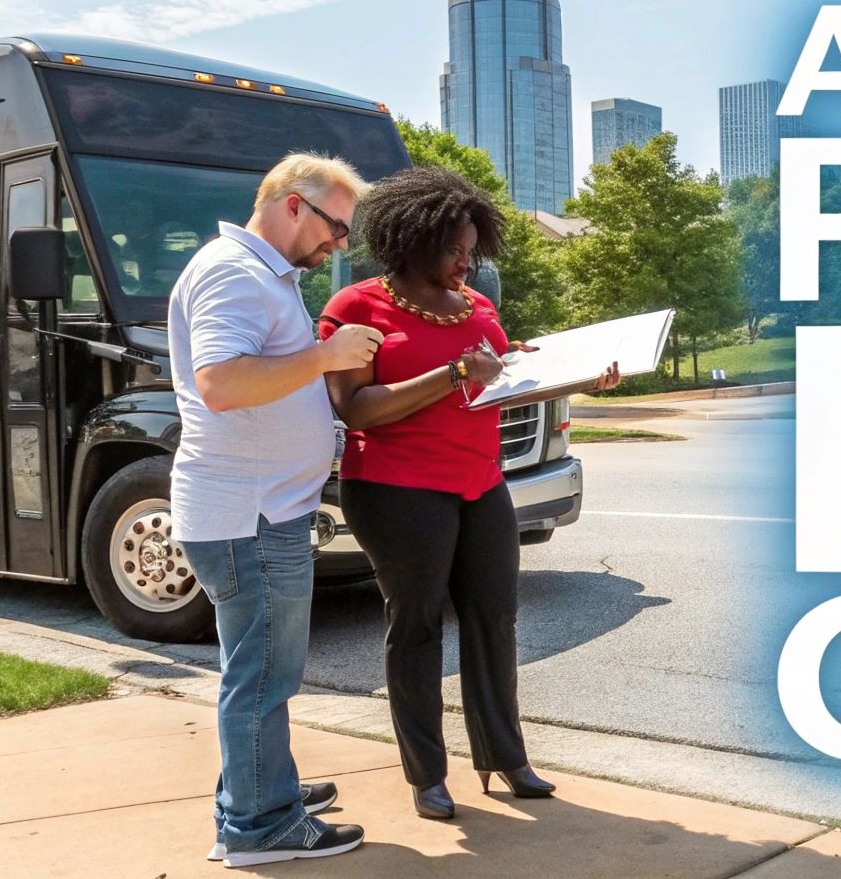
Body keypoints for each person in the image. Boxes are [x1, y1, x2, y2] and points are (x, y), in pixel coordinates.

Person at [318, 166, 618, 820]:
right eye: (454, 249)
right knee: (418, 625)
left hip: (480, 483)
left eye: (472, 250)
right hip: (396, 489)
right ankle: (427, 774)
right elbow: (356, 409)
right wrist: (453, 371)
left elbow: (499, 385)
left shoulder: (479, 307)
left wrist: (577, 376)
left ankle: (504, 757)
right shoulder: (357, 308)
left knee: (495, 617)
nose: (466, 262)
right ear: (412, 241)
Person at [168, 152, 382, 866]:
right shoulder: (236, 273)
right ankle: (259, 826)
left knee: (258, 670)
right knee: (263, 676)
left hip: (254, 512)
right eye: (336, 226)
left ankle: (261, 789)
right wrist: (325, 357)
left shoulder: (259, 274)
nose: (341, 243)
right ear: (294, 204)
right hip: (249, 517)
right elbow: (222, 383)